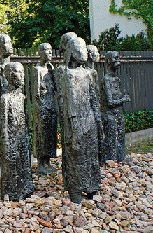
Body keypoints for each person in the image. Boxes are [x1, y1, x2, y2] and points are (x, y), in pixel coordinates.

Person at [60, 37, 102, 203]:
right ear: (71, 52)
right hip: (76, 123)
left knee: (91, 156)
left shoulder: (88, 73)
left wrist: (98, 122)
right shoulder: (68, 75)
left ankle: (92, 187)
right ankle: (76, 190)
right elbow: (70, 105)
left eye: (85, 48)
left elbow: (94, 99)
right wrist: (75, 129)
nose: (83, 52)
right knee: (77, 157)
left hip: (90, 120)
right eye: (79, 49)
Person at [0, 62, 34, 201]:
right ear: (10, 76)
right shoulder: (5, 98)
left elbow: (25, 119)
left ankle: (25, 188)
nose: (22, 76)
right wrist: (6, 142)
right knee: (12, 165)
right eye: (18, 73)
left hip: (22, 136)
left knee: (24, 163)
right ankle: (12, 191)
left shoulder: (21, 97)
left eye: (22, 73)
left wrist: (26, 136)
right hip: (11, 137)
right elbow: (3, 123)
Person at [31, 43, 57, 175]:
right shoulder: (37, 71)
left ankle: (47, 162)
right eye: (47, 51)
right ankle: (41, 164)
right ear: (40, 53)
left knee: (50, 137)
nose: (50, 53)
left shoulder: (51, 69)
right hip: (42, 109)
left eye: (51, 51)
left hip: (52, 107)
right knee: (42, 137)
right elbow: (36, 94)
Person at [99, 51, 130, 163]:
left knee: (120, 137)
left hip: (118, 114)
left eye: (119, 58)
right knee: (111, 140)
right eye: (115, 59)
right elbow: (110, 102)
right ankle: (111, 162)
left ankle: (121, 160)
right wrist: (124, 99)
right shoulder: (106, 80)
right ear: (108, 61)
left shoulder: (117, 79)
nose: (118, 61)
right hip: (110, 116)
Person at [0, 33, 13, 132]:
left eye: (10, 42)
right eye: (7, 43)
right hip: (4, 109)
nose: (10, 45)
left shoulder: (15, 67)